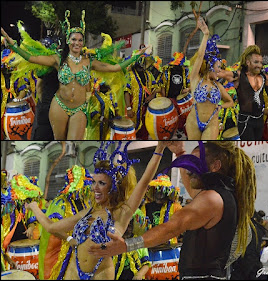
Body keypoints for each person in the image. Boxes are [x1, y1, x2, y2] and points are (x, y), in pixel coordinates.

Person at [88, 141, 257, 280]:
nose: (189, 168)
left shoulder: (211, 199)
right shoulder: (222, 195)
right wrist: (180, 153)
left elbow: (172, 227)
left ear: (215, 166)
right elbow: (192, 187)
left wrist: (127, 245)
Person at [25, 141, 168, 280]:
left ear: (113, 187)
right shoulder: (88, 212)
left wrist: (159, 149)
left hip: (102, 272)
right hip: (74, 268)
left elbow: (144, 181)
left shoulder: (122, 212)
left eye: (102, 183)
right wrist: (34, 207)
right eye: (94, 182)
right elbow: (51, 227)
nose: (95, 188)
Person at [1, 10, 146, 140]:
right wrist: (13, 45)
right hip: (59, 106)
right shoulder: (58, 59)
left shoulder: (89, 61)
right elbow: (31, 58)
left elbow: (115, 67)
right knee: (59, 143)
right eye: (74, 39)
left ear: (83, 43)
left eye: (80, 40)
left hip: (80, 109)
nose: (77, 43)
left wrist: (134, 57)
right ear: (68, 41)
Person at [186, 18, 234, 140]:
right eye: (218, 66)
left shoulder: (218, 86)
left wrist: (220, 107)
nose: (219, 70)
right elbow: (200, 57)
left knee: (207, 151)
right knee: (196, 150)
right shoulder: (196, 79)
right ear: (210, 65)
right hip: (193, 120)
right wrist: (206, 34)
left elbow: (230, 102)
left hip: (212, 122)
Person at [124, 48, 161, 140]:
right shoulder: (129, 75)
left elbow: (157, 88)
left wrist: (151, 96)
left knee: (145, 131)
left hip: (146, 108)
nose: (142, 65)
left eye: (144, 63)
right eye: (140, 63)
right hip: (133, 108)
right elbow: (126, 92)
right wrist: (129, 108)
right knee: (131, 132)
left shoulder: (149, 74)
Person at [113, 210, 151, 280]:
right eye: (125, 225)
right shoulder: (112, 242)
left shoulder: (139, 240)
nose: (128, 228)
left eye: (130, 225)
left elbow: (146, 264)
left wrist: (139, 275)